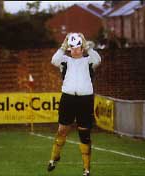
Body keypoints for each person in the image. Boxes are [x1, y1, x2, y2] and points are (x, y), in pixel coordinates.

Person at [47, 33, 101, 176]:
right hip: (68, 99)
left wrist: (86, 43)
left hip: (85, 100)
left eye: (78, 47)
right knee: (62, 130)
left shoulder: (89, 60)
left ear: (82, 48)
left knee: (84, 134)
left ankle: (86, 169)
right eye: (73, 47)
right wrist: (64, 44)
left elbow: (98, 60)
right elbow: (54, 60)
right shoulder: (65, 60)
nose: (75, 50)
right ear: (69, 49)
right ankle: (54, 157)